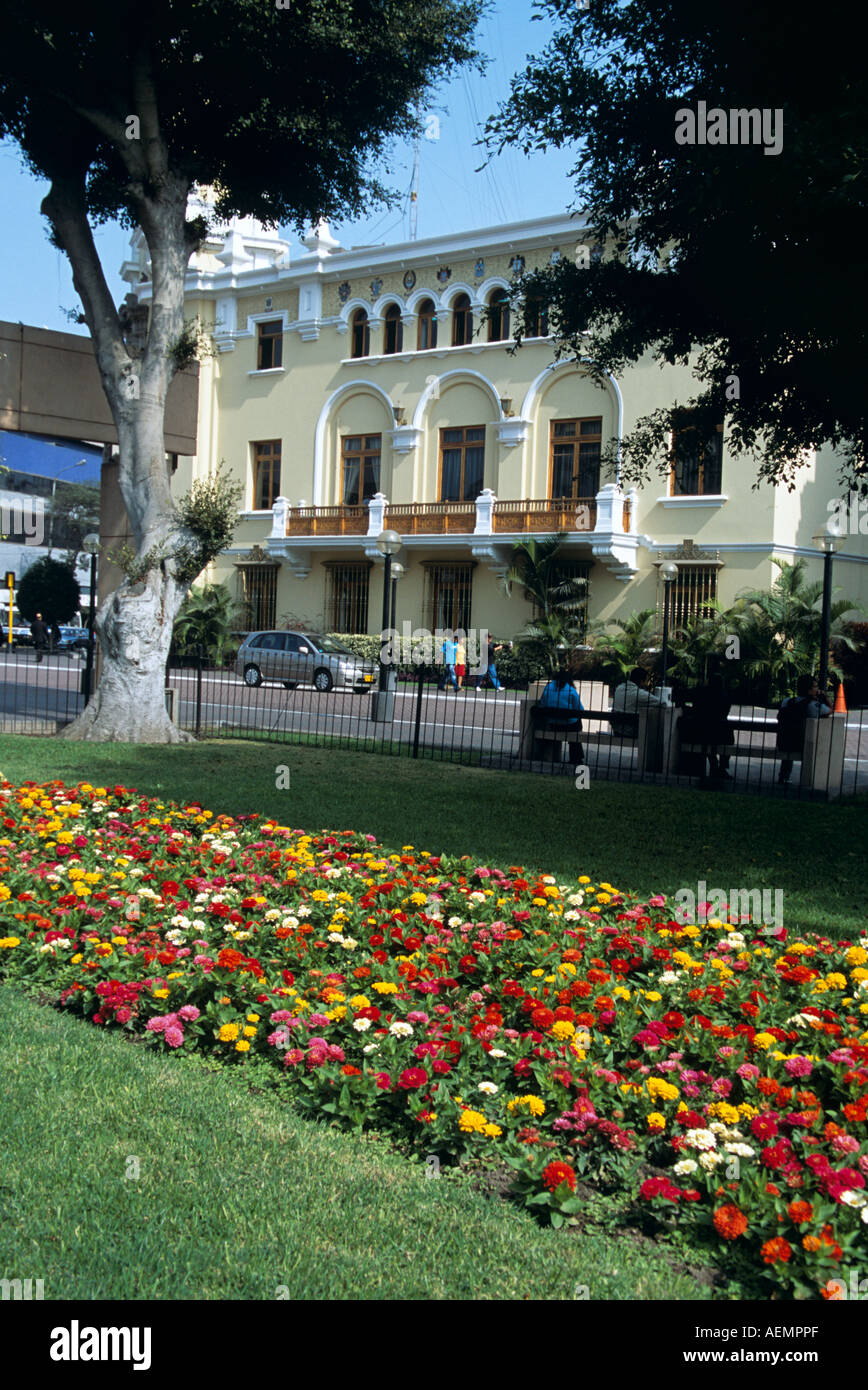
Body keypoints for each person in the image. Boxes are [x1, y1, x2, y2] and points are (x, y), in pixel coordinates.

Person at [776, 674, 830, 784]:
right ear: (809, 690)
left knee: (789, 742)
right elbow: (829, 710)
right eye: (815, 687)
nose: (817, 689)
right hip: (801, 744)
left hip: (784, 742)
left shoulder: (787, 701)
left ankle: (784, 776)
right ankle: (807, 780)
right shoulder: (812, 705)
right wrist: (824, 697)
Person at [689, 672, 734, 782]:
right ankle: (722, 767)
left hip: (702, 731)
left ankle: (714, 765)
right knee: (728, 742)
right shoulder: (724, 695)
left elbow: (695, 709)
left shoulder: (702, 693)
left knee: (708, 744)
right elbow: (725, 712)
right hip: (721, 732)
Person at [534, 669, 584, 762]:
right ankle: (576, 758)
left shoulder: (548, 687)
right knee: (577, 726)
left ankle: (547, 755)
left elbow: (542, 704)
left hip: (553, 724)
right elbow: (580, 709)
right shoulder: (571, 690)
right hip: (569, 725)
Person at [609, 667, 663, 737]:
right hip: (630, 731)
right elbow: (660, 702)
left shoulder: (619, 688)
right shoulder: (639, 694)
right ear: (641, 681)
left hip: (617, 729)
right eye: (646, 681)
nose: (647, 684)